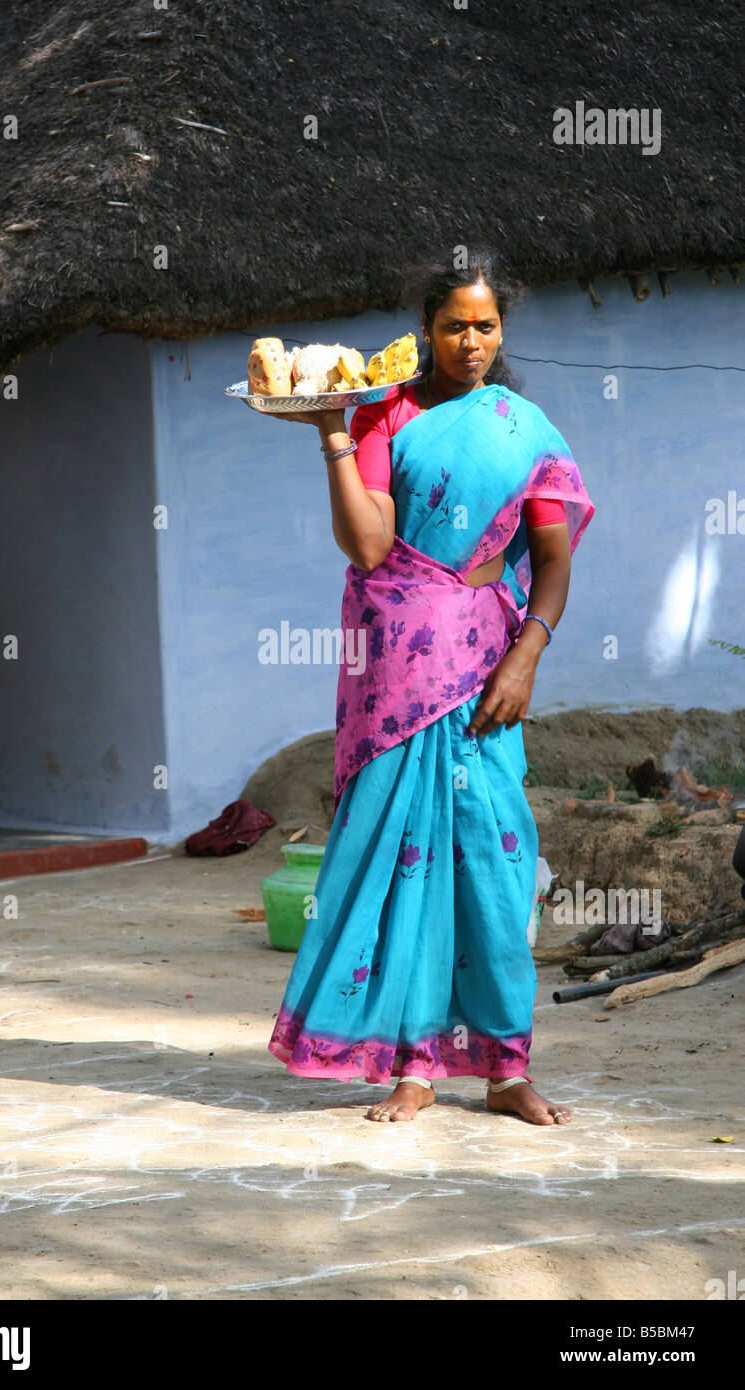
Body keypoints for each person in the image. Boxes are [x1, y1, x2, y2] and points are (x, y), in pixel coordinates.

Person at [266, 249, 595, 1124]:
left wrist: (528, 655)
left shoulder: (521, 427)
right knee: (406, 858)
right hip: (399, 670)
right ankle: (415, 1063)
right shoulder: (385, 413)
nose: (472, 340)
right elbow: (369, 546)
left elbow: (554, 561)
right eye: (456, 325)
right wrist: (334, 432)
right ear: (428, 330)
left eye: (487, 325)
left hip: (489, 668)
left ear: (502, 330)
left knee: (492, 860)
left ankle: (506, 1069)